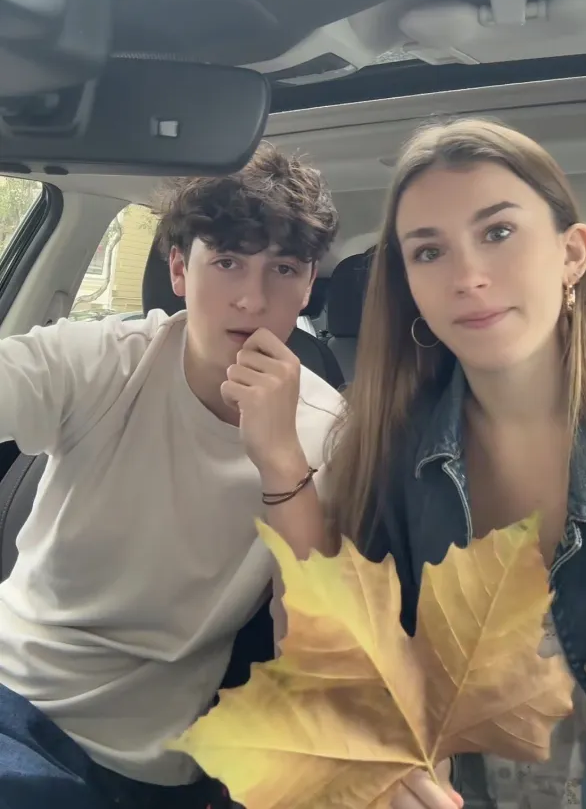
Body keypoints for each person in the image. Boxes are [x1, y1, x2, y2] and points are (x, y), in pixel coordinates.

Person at [0, 143, 343, 809]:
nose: (252, 298)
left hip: (145, 761)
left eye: (283, 269)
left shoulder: (333, 433)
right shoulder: (103, 360)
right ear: (180, 270)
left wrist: (281, 460)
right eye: (228, 262)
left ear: (308, 287)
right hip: (13, 690)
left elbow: (311, 649)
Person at [326, 116, 586, 809]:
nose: (467, 277)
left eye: (498, 232)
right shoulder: (384, 453)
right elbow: (357, 656)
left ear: (572, 254)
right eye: (429, 252)